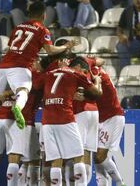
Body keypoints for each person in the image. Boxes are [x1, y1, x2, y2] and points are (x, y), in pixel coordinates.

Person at [0, 1, 77, 139]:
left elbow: (13, 46)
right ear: (44, 15)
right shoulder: (42, 29)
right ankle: (17, 107)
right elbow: (50, 50)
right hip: (21, 66)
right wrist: (66, 46)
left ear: (29, 14)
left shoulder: (18, 27)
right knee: (23, 91)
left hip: (3, 65)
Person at [35, 56, 103, 186]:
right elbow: (96, 93)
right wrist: (98, 81)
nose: (84, 74)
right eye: (84, 71)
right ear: (78, 67)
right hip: (65, 119)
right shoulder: (77, 74)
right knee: (79, 157)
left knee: (55, 160)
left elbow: (36, 85)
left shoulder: (49, 73)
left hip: (47, 121)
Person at [71, 55, 105, 184]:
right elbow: (102, 60)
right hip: (93, 112)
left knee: (78, 151)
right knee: (87, 151)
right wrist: (94, 66)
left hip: (80, 112)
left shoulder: (72, 71)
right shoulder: (88, 64)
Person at [92, 66, 126, 186]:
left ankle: (119, 182)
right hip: (100, 118)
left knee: (100, 156)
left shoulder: (96, 74)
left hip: (112, 117)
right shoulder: (96, 69)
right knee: (97, 158)